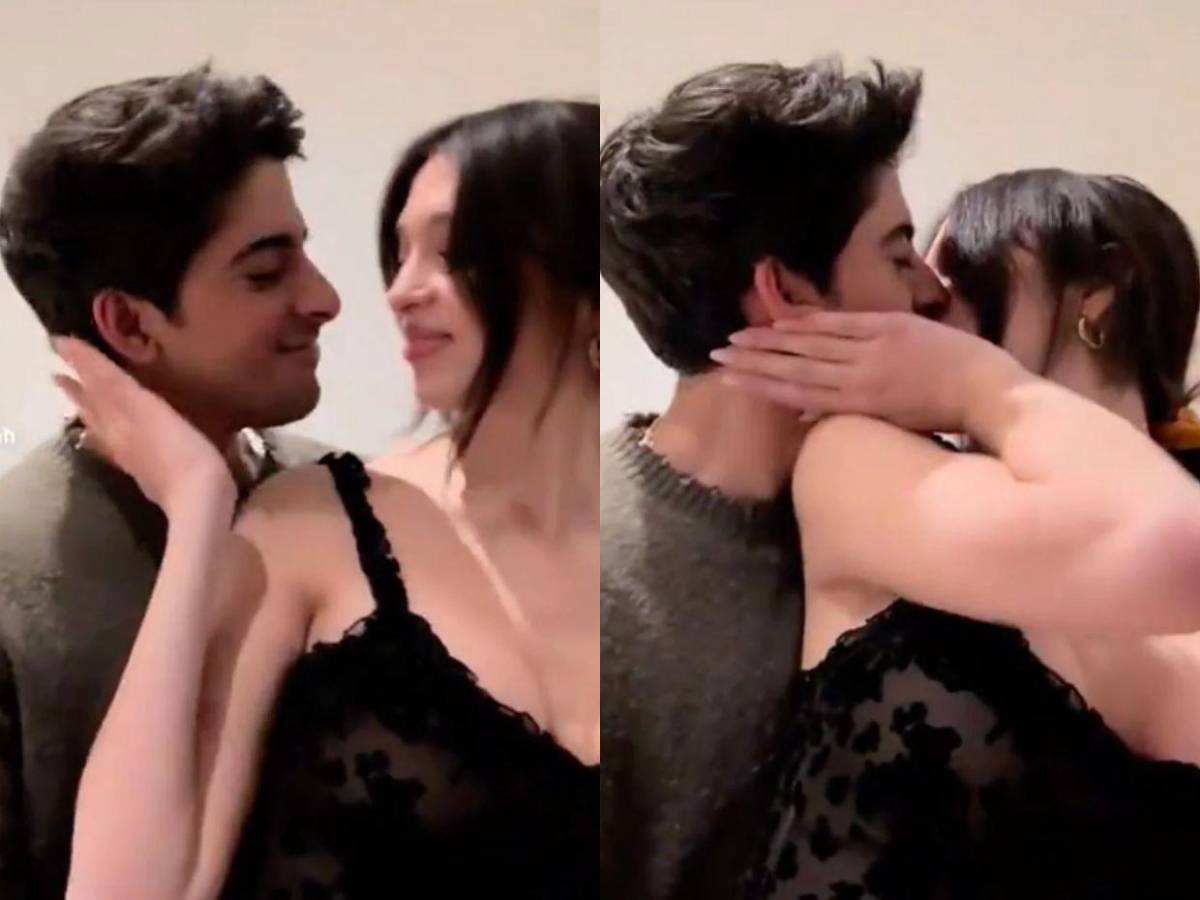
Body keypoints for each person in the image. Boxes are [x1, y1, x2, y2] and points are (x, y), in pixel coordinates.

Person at [63, 99, 599, 899]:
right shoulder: (309, 525)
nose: (400, 292)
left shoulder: (666, 554)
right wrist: (201, 502)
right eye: (399, 256)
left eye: (453, 253)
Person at [716, 170, 1200, 898]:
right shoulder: (862, 463)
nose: (925, 304)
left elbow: (1170, 546)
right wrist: (981, 389)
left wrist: (986, 384)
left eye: (964, 274)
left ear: (1104, 287)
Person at [598, 58, 948, 899]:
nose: (934, 292)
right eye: (899, 254)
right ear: (785, 290)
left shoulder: (924, 513)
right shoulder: (591, 577)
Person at [0, 66, 339, 899]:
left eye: (305, 252)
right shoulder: (12, 577)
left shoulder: (349, 501)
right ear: (129, 323)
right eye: (266, 272)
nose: (324, 299)